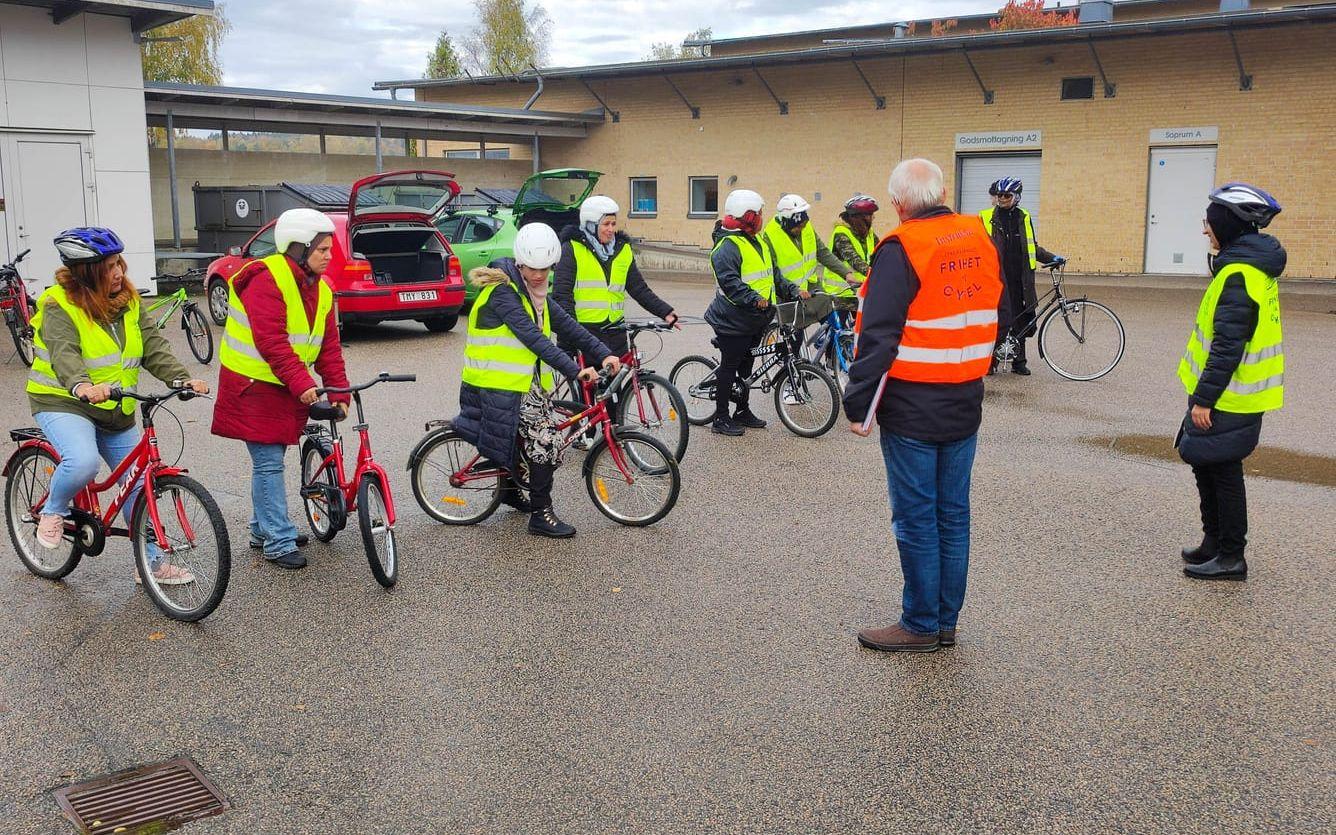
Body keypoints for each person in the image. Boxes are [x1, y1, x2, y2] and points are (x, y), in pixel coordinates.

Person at [844, 159, 1003, 653]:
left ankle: (919, 624)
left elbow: (878, 334)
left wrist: (857, 404)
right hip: (965, 398)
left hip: (913, 404)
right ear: (942, 192)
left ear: (896, 204)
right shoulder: (978, 237)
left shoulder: (901, 248)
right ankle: (944, 622)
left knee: (916, 517)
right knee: (953, 515)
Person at [26, 227, 209, 585]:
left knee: (139, 485)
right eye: (108, 266)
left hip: (115, 405)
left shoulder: (129, 302)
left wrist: (180, 379)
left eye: (118, 264)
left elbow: (154, 348)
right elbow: (65, 354)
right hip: (64, 401)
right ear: (86, 271)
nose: (118, 273)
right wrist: (82, 385)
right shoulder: (57, 304)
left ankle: (152, 564)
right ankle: (53, 510)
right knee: (82, 462)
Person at [454, 222, 620, 538]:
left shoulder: (533, 292)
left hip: (522, 382)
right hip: (498, 385)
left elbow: (568, 325)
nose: (540, 275)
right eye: (533, 268)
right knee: (547, 440)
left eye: (545, 268)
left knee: (528, 437)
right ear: (520, 262)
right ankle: (541, 514)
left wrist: (604, 353)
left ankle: (508, 490)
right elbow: (534, 339)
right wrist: (576, 370)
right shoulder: (504, 293)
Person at [212, 208, 351, 571]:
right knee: (269, 462)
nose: (329, 256)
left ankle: (261, 529)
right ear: (297, 249)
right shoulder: (266, 280)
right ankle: (277, 539)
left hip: (283, 384)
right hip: (252, 385)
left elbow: (329, 348)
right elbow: (271, 341)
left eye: (329, 249)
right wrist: (305, 384)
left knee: (271, 460)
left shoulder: (321, 290)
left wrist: (338, 392)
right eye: (322, 249)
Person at [1176, 183, 1285, 582]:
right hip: (1227, 391)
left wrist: (1204, 399)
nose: (1206, 229)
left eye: (1211, 222)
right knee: (1206, 465)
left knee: (1222, 471)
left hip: (1229, 395)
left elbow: (1227, 346)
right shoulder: (1245, 266)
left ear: (1228, 225)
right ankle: (1213, 541)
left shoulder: (1240, 274)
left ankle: (1231, 555)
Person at [703, 189, 804, 437]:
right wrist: (754, 299)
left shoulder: (758, 242)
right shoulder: (726, 247)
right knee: (731, 365)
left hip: (756, 318)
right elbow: (731, 283)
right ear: (747, 216)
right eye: (758, 213)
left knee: (747, 367)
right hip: (732, 319)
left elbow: (774, 275)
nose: (761, 217)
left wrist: (793, 290)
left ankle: (742, 410)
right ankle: (720, 418)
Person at [552, 195, 678, 360]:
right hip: (585, 334)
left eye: (613, 224)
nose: (611, 229)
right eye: (605, 224)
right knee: (591, 384)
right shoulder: (571, 250)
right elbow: (562, 296)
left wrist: (666, 312)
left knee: (617, 385)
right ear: (590, 225)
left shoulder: (623, 250)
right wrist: (572, 333)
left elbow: (639, 289)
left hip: (615, 333)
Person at [979, 178, 1062, 376]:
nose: (1002, 199)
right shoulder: (986, 217)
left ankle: (1019, 361)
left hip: (1020, 279)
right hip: (996, 278)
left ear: (1016, 197)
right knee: (995, 320)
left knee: (1020, 318)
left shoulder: (1023, 217)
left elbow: (1031, 245)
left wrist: (1051, 257)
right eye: (1000, 195)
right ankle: (990, 362)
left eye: (1007, 195)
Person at [761, 193, 859, 298]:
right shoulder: (770, 236)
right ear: (786, 223)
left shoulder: (805, 226)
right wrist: (794, 291)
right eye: (797, 227)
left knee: (827, 308)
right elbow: (774, 273)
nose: (801, 230)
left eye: (803, 226)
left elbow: (822, 253)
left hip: (812, 287)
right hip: (788, 294)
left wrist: (846, 274)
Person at [824, 193, 880, 313]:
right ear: (859, 217)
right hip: (841, 294)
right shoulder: (841, 234)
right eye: (870, 215)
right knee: (844, 331)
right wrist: (877, 275)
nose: (873, 218)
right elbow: (854, 260)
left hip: (860, 291)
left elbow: (882, 252)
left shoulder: (869, 234)